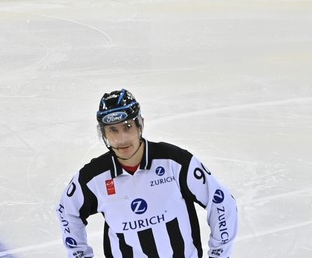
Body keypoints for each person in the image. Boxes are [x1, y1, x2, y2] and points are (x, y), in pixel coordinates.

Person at [56, 89, 238, 258]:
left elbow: (220, 200)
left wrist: (219, 254)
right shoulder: (94, 178)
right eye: (113, 130)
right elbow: (67, 210)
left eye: (127, 126)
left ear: (140, 125)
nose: (121, 139)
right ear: (103, 134)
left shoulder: (174, 162)